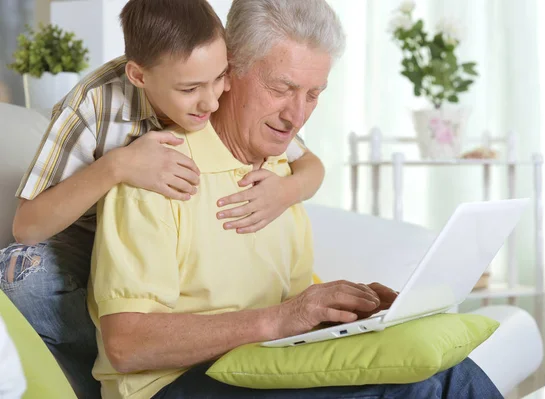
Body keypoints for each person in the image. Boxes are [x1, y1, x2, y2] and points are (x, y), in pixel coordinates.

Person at [89, 0, 504, 398]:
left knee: (447, 370)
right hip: (173, 386)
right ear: (228, 71)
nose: (298, 116)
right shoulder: (156, 174)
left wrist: (342, 316)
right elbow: (126, 344)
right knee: (425, 388)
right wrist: (280, 319)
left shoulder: (280, 175)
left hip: (258, 367)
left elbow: (286, 316)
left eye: (313, 94)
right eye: (282, 88)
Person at [0, 0, 325, 397]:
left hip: (160, 255)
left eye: (220, 79)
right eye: (189, 89)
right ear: (139, 75)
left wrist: (287, 190)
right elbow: (27, 225)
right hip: (86, 240)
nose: (210, 101)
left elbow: (309, 163)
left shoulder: (221, 83)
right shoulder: (97, 105)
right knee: (23, 276)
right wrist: (117, 166)